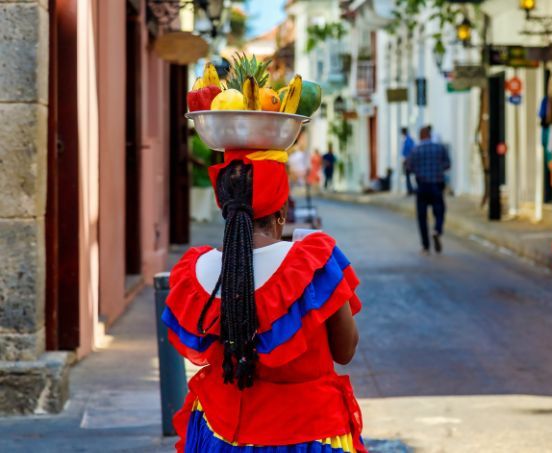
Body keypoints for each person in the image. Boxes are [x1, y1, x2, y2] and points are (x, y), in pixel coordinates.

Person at [163, 151, 366, 452]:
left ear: (226, 210)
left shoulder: (196, 271)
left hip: (220, 432)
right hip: (306, 433)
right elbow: (345, 349)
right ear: (282, 211)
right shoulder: (313, 263)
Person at [408, 125, 450, 254]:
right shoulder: (440, 148)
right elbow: (447, 164)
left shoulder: (415, 150)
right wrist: (438, 170)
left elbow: (409, 167)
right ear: (430, 135)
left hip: (422, 186)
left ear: (421, 136)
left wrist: (420, 172)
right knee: (440, 211)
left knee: (422, 217)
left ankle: (426, 246)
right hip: (437, 185)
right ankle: (437, 230)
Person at [400, 127, 416, 195]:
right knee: (408, 175)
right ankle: (410, 189)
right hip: (409, 159)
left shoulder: (408, 140)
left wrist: (407, 160)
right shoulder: (408, 139)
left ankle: (410, 190)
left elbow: (410, 150)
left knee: (408, 175)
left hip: (409, 160)